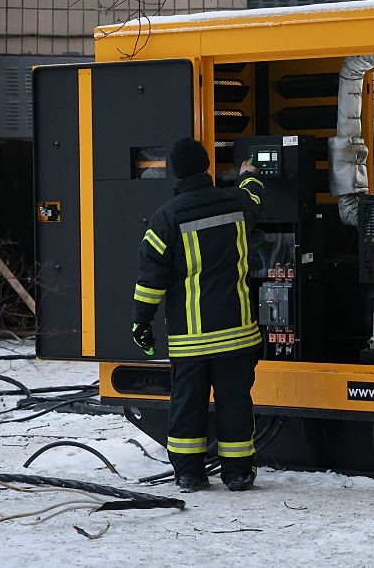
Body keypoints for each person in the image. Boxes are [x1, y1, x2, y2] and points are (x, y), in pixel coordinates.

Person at [131, 137, 265, 492]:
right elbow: (252, 196)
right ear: (207, 167)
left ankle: (189, 474)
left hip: (191, 339)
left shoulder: (166, 218)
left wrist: (141, 321)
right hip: (237, 334)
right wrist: (249, 175)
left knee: (187, 404)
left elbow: (151, 279)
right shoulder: (235, 202)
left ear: (175, 171)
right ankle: (237, 474)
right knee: (235, 402)